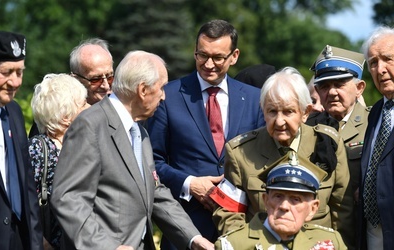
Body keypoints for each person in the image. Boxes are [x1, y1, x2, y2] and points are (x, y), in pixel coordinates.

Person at [50, 50, 214, 250]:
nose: (164, 96)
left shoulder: (139, 131)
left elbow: (154, 191)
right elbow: (68, 198)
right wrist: (107, 247)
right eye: (161, 88)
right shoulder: (90, 125)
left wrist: (193, 237)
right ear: (142, 90)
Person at [146, 19, 265, 248]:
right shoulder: (168, 97)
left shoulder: (254, 99)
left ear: (234, 56)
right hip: (186, 229)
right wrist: (189, 183)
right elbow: (152, 161)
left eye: (218, 57)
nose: (208, 64)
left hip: (242, 230)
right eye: (202, 55)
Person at [211, 66, 354, 248]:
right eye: (272, 111)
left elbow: (342, 211)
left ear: (306, 112)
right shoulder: (240, 152)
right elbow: (229, 212)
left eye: (288, 112)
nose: (279, 122)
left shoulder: (328, 144)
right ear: (262, 110)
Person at [214, 151, 347, 250]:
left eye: (296, 199)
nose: (284, 206)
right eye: (278, 196)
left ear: (313, 209)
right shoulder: (232, 245)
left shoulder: (331, 241)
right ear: (266, 200)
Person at [308, 45, 369, 250]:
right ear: (316, 90)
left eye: (339, 84)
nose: (331, 92)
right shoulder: (307, 128)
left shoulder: (375, 124)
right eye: (324, 86)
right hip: (318, 232)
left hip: (365, 230)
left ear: (359, 87)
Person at [28, 74, 90, 249]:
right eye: (84, 103)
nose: (90, 107)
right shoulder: (37, 150)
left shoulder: (82, 147)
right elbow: (23, 207)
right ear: (65, 116)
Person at [0, 31, 42, 249]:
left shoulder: (14, 112)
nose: (14, 82)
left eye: (19, 72)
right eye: (6, 72)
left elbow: (26, 183)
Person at [29, 38, 113, 137]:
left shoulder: (120, 111)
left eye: (110, 77)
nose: (106, 85)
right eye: (96, 79)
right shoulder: (54, 119)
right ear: (76, 79)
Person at [358, 26, 394, 250]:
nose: (380, 69)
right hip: (373, 230)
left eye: (387, 59)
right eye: (373, 62)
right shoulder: (376, 112)